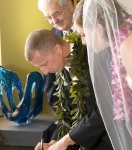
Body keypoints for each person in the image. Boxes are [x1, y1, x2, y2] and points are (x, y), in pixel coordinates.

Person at [35, 0, 113, 149]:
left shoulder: (99, 35)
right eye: (48, 17)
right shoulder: (50, 39)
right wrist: (59, 139)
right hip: (79, 130)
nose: (53, 20)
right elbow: (55, 96)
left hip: (104, 130)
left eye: (56, 13)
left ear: (69, 6)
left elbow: (108, 101)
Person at [73, 0, 132, 149]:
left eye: (84, 35)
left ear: (98, 29)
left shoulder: (130, 45)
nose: (84, 42)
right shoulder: (123, 44)